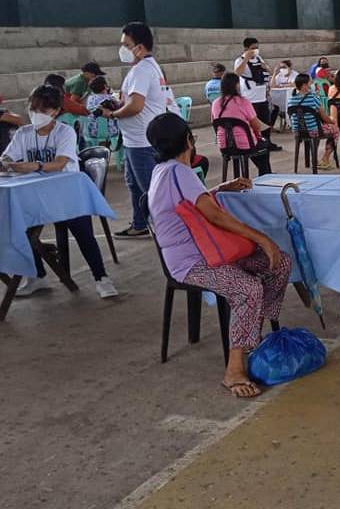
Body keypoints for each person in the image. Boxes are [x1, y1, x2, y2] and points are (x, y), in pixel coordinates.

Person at [146, 112, 291, 399]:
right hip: (191, 263)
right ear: (189, 139)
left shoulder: (165, 170)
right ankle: (234, 369)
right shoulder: (178, 171)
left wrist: (220, 188)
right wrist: (262, 239)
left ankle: (252, 337)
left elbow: (189, 201)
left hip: (209, 252)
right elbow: (212, 215)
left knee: (281, 263)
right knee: (248, 288)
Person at [2, 85, 118, 298]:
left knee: (83, 232)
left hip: (67, 193)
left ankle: (101, 277)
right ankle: (37, 276)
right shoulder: (24, 133)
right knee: (21, 225)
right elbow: (8, 157)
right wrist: (7, 162)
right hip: (36, 193)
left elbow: (60, 163)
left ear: (55, 111)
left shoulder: (64, 132)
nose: (36, 114)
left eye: (42, 110)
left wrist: (34, 165)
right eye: (33, 109)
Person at [97, 22, 166, 238]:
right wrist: (118, 105)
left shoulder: (142, 70)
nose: (122, 49)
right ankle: (140, 223)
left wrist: (113, 114)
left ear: (140, 46)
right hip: (136, 138)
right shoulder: (148, 67)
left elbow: (136, 106)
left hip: (141, 140)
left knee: (149, 188)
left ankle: (164, 231)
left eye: (126, 44)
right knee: (135, 184)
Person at [211, 73, 272, 176]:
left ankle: (238, 177)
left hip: (224, 145)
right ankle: (266, 175)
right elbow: (256, 125)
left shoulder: (215, 103)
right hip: (244, 145)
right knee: (264, 146)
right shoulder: (243, 102)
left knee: (250, 144)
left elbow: (214, 123)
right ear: (237, 85)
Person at [234, 37, 279, 151]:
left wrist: (266, 67)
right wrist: (246, 59)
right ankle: (254, 143)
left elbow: (268, 70)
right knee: (253, 123)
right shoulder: (239, 60)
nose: (255, 50)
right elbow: (237, 73)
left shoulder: (259, 58)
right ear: (246, 48)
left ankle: (267, 142)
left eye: (257, 48)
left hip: (262, 97)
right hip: (250, 98)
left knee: (266, 121)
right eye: (253, 48)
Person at [287, 73, 339, 169]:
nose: (312, 84)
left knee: (315, 128)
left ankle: (312, 159)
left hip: (298, 131)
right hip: (314, 131)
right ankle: (325, 158)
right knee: (335, 130)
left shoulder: (290, 100)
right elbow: (324, 117)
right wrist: (333, 122)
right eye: (310, 83)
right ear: (304, 85)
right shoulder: (313, 98)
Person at [84, 76, 121, 143]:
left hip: (93, 133)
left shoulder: (90, 99)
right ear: (105, 86)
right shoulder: (111, 99)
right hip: (111, 133)